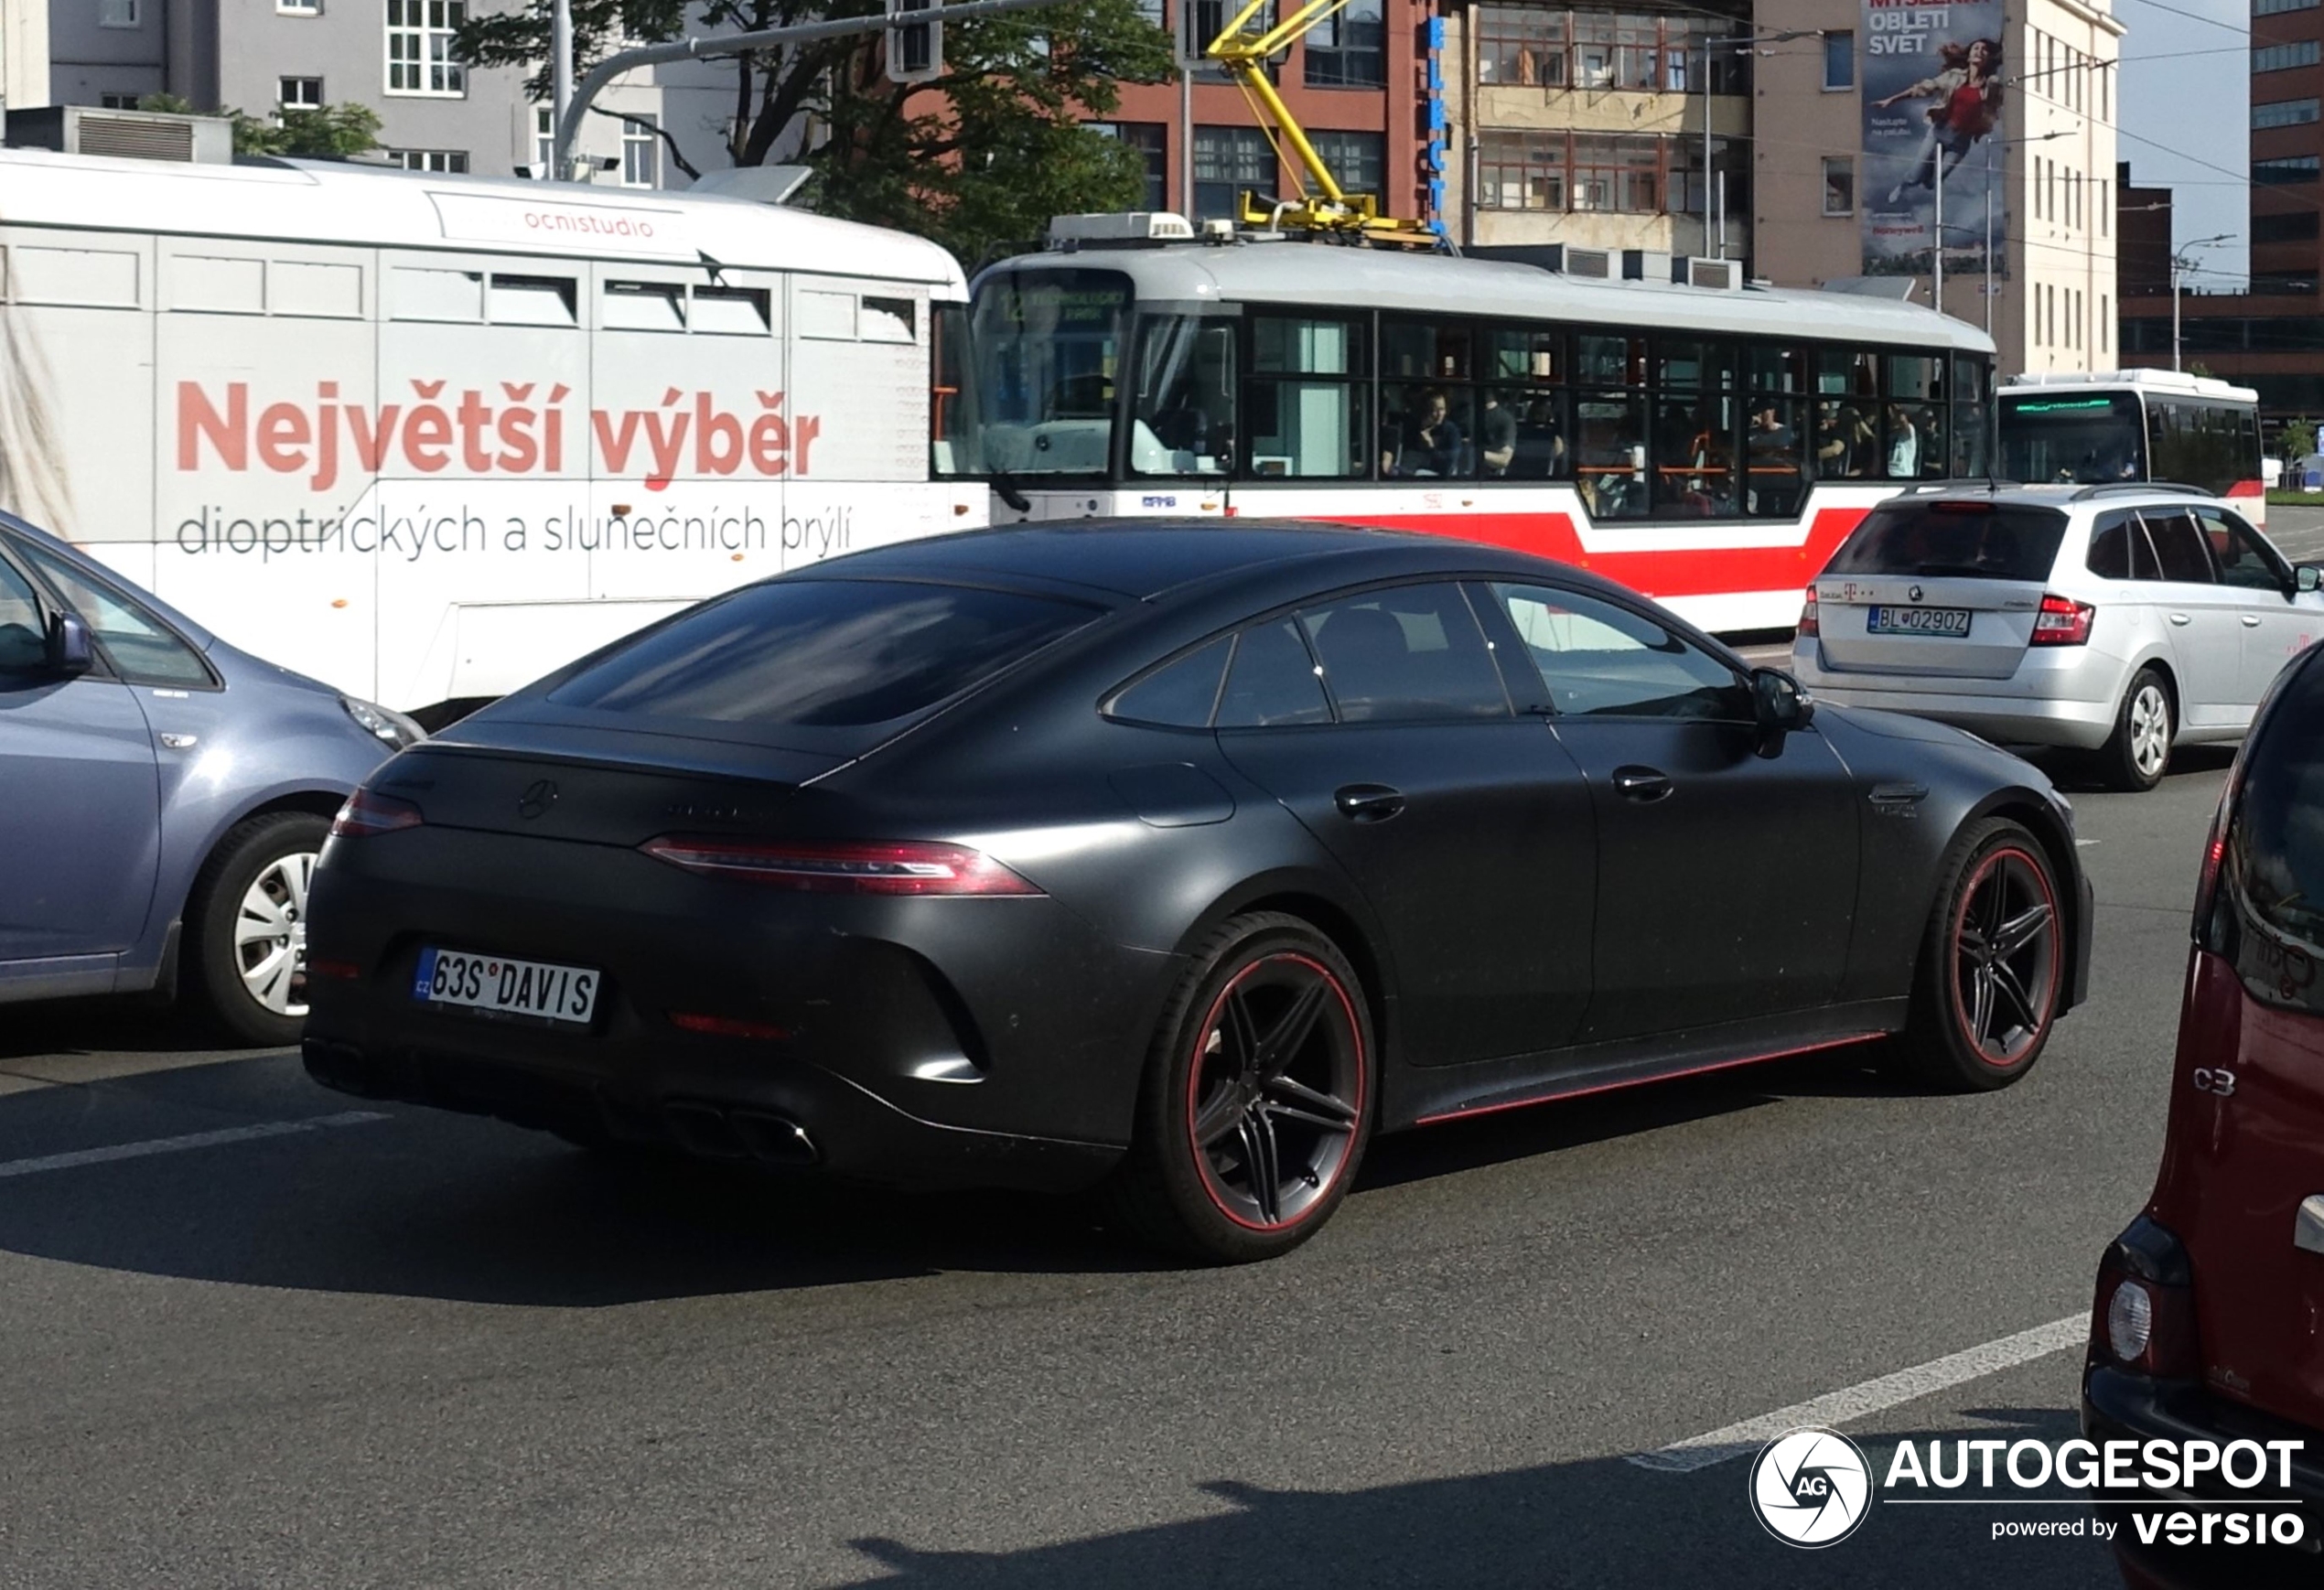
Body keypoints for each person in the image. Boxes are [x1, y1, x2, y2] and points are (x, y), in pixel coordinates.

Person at [1876, 39, 2004, 207]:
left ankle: (1929, 176)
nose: (1980, 51)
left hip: (1960, 143)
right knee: (1914, 176)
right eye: (1976, 48)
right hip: (1939, 133)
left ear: (1989, 57)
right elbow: (1923, 88)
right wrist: (1892, 100)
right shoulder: (1954, 76)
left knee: (1934, 183)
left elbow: (1996, 108)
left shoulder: (1990, 85)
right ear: (1969, 56)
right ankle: (1904, 185)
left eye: (1984, 50)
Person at [1384, 386, 1464, 477]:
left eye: (1442, 409)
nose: (1439, 415)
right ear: (1425, 411)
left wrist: (1430, 447)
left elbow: (1449, 467)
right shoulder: (1410, 429)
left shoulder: (1450, 431)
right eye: (1434, 411)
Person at [1479, 392, 1517, 476]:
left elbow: (1504, 459)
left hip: (1492, 479)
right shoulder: (1466, 414)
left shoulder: (1504, 419)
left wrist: (1475, 454)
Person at [1887, 404, 1921, 478]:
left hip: (1902, 476)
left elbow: (1902, 420)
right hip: (1886, 476)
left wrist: (1897, 409)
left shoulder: (1908, 433)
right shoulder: (1887, 435)